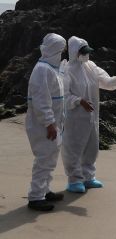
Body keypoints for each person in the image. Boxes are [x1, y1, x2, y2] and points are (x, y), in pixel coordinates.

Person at [62, 36, 116, 193]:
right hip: (75, 117)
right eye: (83, 52)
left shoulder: (91, 66)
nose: (87, 55)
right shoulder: (67, 70)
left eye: (87, 52)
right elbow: (63, 95)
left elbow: (104, 80)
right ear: (74, 52)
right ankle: (74, 180)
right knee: (74, 147)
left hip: (91, 116)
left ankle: (88, 177)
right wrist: (79, 101)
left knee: (91, 146)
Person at [25, 33, 67, 211]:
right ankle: (35, 197)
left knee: (50, 159)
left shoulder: (51, 68)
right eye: (62, 48)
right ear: (56, 49)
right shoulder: (42, 69)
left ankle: (45, 190)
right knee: (43, 159)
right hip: (44, 125)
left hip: (54, 123)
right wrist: (49, 123)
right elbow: (41, 101)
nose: (64, 52)